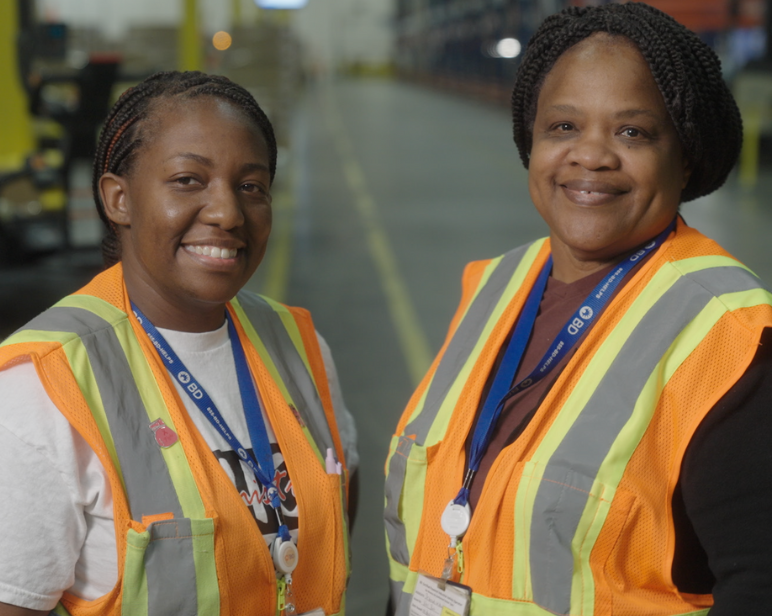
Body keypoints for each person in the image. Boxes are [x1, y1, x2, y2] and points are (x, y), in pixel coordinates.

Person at [384, 3, 772, 615]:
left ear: (687, 154)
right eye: (563, 127)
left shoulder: (730, 335)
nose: (590, 156)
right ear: (531, 141)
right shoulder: (495, 286)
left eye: (632, 132)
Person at [0, 71, 357, 616]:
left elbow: (335, 502)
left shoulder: (299, 345)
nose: (228, 213)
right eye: (189, 180)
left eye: (251, 186)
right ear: (118, 199)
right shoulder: (45, 387)